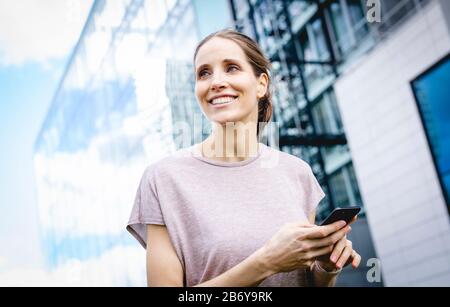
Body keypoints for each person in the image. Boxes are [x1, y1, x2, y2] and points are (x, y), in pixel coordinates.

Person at [126, 29, 361, 287]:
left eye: (232, 68)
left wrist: (326, 268)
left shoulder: (297, 173)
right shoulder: (163, 179)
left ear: (261, 84)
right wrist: (266, 262)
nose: (216, 81)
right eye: (204, 73)